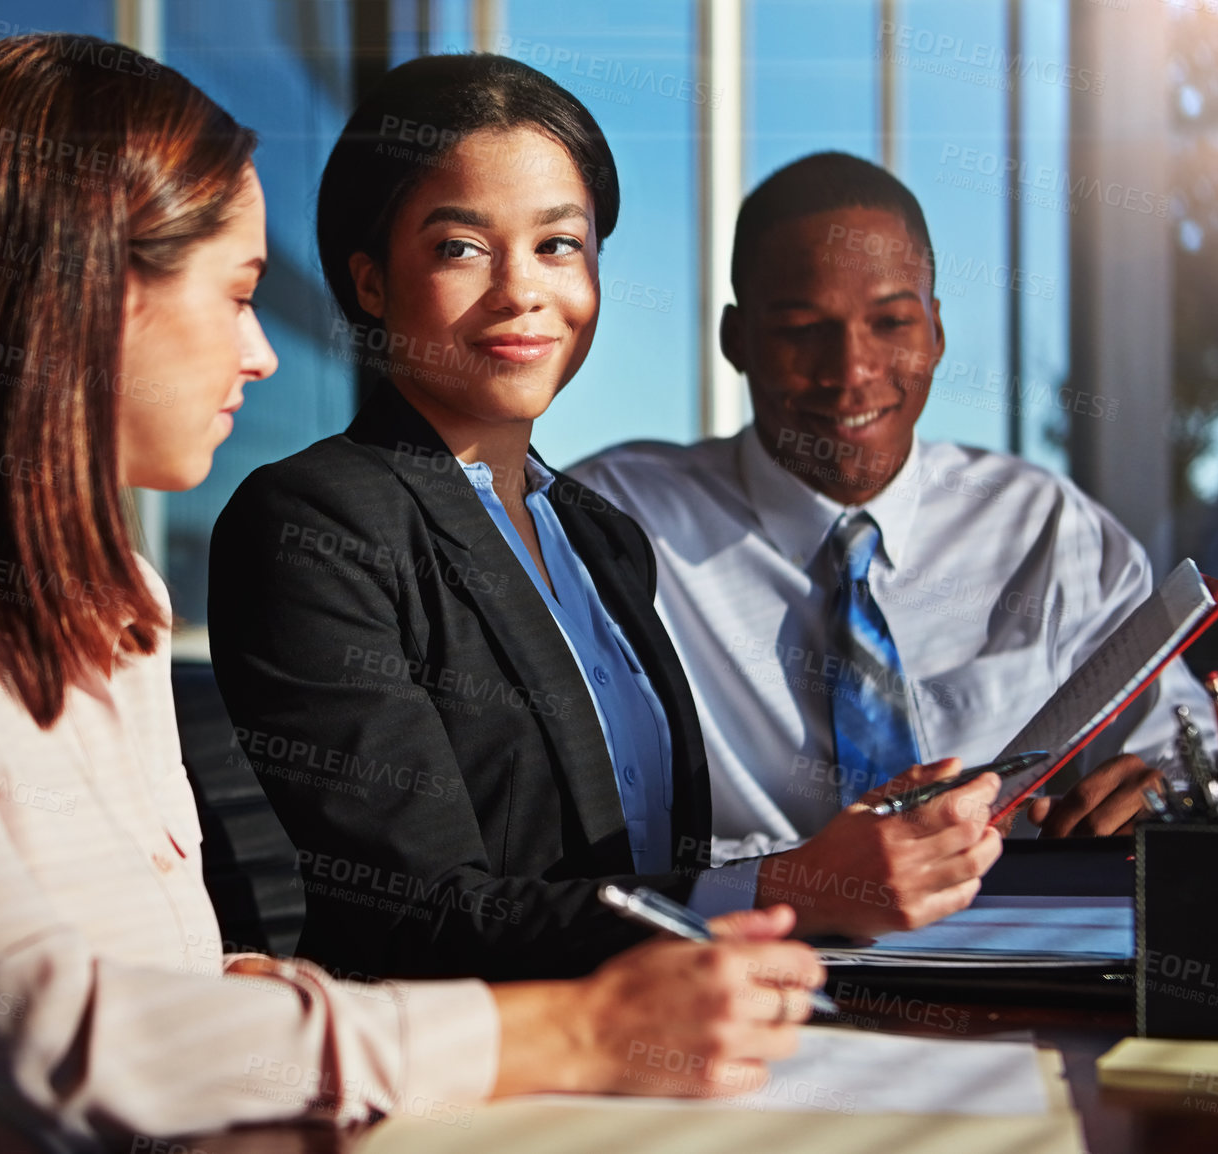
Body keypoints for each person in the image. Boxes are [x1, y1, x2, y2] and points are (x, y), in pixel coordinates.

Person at [0, 35, 825, 1154]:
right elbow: (35, 1026)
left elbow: (158, 984)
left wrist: (249, 991)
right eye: (237, 292)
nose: (263, 355)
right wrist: (571, 1025)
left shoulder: (114, 610)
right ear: (82, 295)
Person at [208, 54, 1001, 988]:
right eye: (461, 247)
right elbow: (417, 924)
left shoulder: (598, 533)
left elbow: (630, 879)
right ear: (372, 282)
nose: (521, 291)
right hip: (465, 1081)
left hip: (659, 1041)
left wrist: (829, 870)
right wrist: (792, 885)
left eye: (558, 246)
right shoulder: (317, 521)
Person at [571, 150, 1218, 870]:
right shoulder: (619, 528)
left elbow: (1202, 757)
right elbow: (567, 828)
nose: (852, 372)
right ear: (736, 341)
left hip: (1021, 962)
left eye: (893, 323)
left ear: (936, 334)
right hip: (736, 951)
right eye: (804, 329)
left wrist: (1166, 797)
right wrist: (799, 877)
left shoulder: (1044, 528)